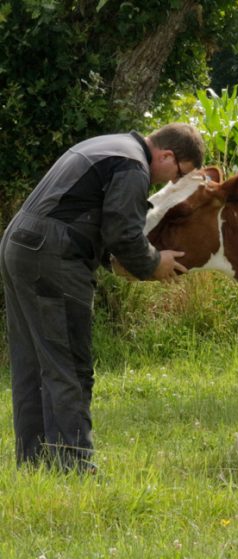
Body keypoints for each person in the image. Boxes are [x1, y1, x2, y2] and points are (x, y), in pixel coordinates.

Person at [0, 122, 205, 472]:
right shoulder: (132, 166)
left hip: (20, 245)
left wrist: (113, 262)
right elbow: (123, 232)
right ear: (167, 155)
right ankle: (74, 466)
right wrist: (154, 263)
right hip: (53, 256)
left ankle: (35, 462)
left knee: (33, 362)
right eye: (177, 173)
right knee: (70, 364)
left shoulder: (110, 145)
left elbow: (82, 216)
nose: (170, 182)